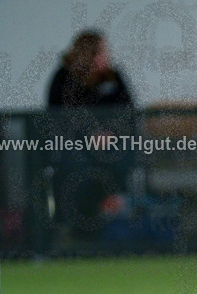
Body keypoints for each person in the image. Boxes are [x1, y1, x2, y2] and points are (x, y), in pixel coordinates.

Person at [46, 30, 134, 239]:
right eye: (103, 51)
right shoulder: (64, 77)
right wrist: (89, 135)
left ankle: (113, 218)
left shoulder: (114, 77)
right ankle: (77, 228)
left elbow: (128, 112)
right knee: (76, 163)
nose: (108, 56)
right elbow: (58, 115)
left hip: (110, 145)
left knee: (125, 152)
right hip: (75, 147)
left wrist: (110, 134)